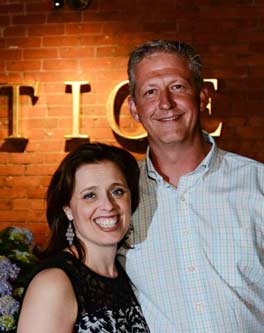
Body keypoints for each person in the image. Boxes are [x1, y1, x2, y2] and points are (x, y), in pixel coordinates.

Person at [124, 39, 264, 332]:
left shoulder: (257, 184)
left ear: (201, 97)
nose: (165, 103)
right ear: (134, 108)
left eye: (177, 87)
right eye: (151, 91)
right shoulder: (120, 197)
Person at [17, 143, 150, 333]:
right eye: (90, 195)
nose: (108, 205)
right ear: (68, 210)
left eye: (117, 191)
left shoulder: (127, 274)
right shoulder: (53, 285)